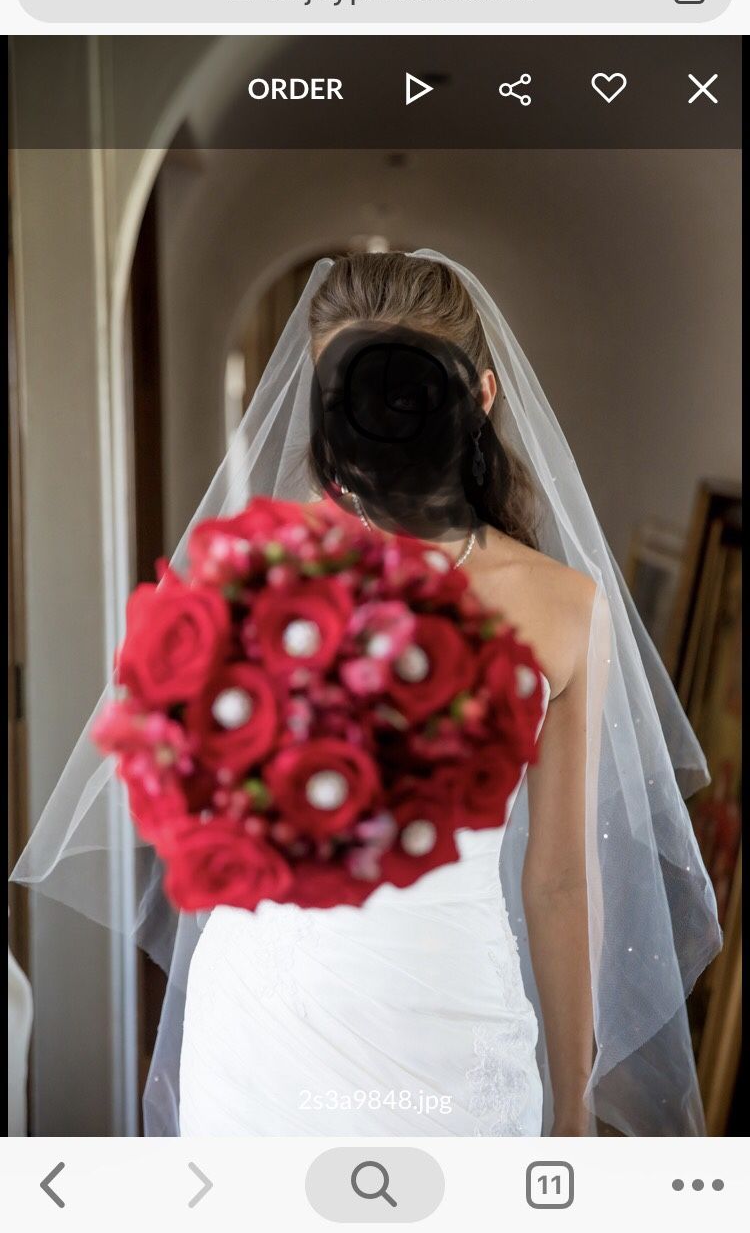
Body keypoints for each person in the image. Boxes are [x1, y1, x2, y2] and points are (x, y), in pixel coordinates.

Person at [11, 251, 721, 1138]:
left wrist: (573, 1104)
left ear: (481, 397)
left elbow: (559, 881)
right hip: (265, 1025)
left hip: (458, 1025)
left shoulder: (563, 607)